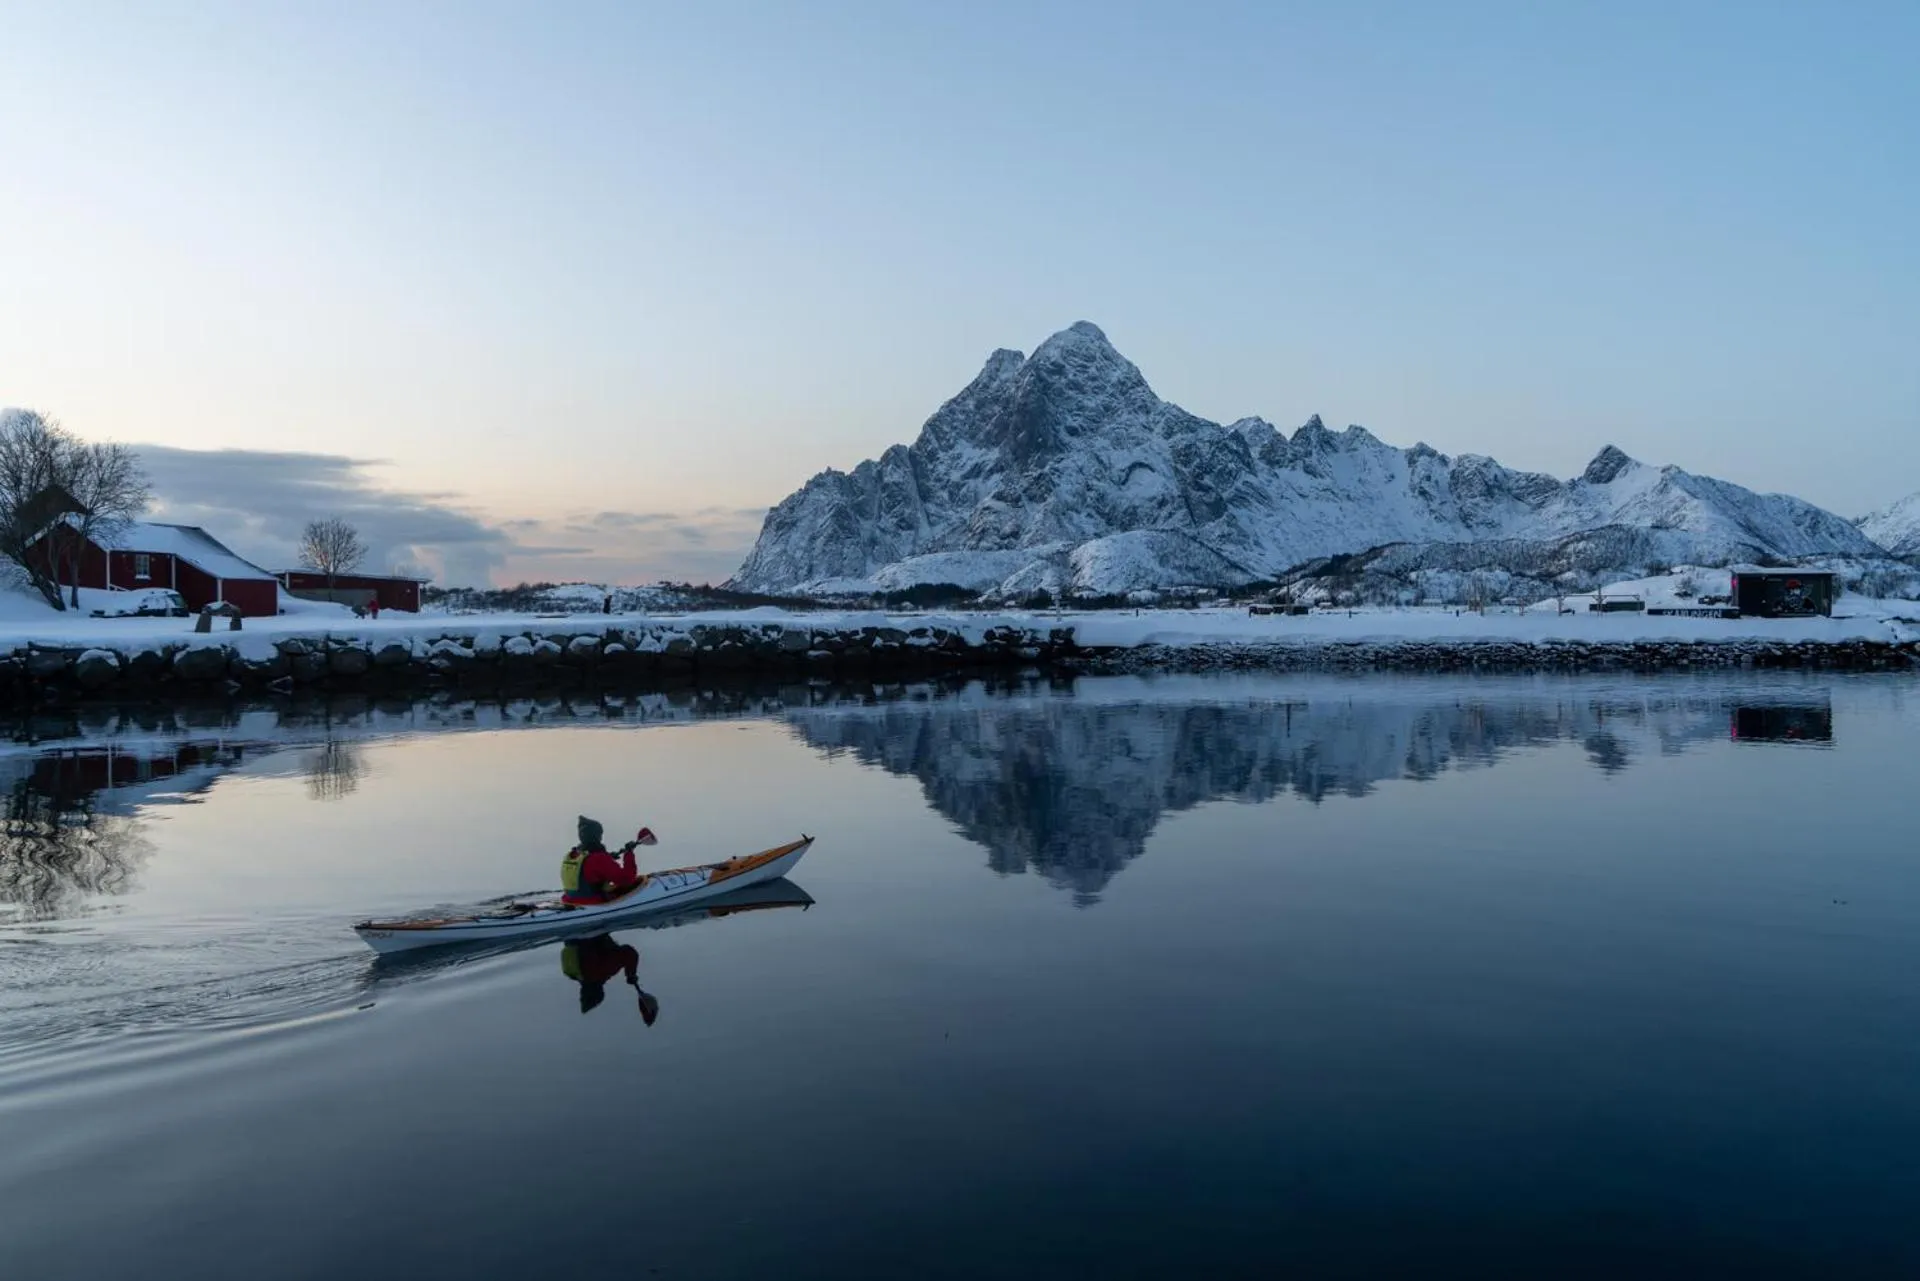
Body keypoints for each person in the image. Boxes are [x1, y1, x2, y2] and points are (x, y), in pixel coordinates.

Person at [561, 933, 660, 1022]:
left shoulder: (602, 972)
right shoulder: (573, 974)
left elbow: (629, 952)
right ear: (582, 991)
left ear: (601, 991)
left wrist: (631, 974)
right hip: (572, 936)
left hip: (590, 932)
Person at [560, 815, 651, 904]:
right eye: (600, 834)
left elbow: (589, 865)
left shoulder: (572, 855)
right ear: (596, 836)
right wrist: (629, 853)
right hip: (593, 903)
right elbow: (626, 879)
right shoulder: (600, 858)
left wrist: (609, 857)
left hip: (570, 901)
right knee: (630, 885)